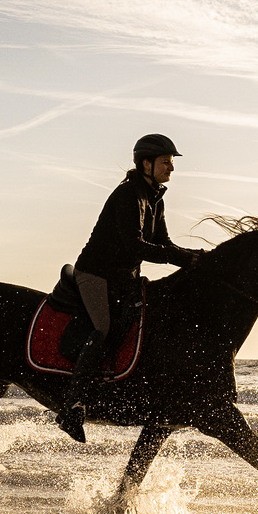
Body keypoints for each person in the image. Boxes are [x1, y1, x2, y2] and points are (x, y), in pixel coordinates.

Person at [56, 133, 203, 442]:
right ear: (146, 164)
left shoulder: (154, 197)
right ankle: (73, 405)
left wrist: (193, 258)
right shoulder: (128, 195)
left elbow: (163, 244)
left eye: (171, 163)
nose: (171, 169)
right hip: (95, 274)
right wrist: (181, 260)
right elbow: (135, 245)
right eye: (166, 163)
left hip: (123, 278)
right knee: (104, 328)